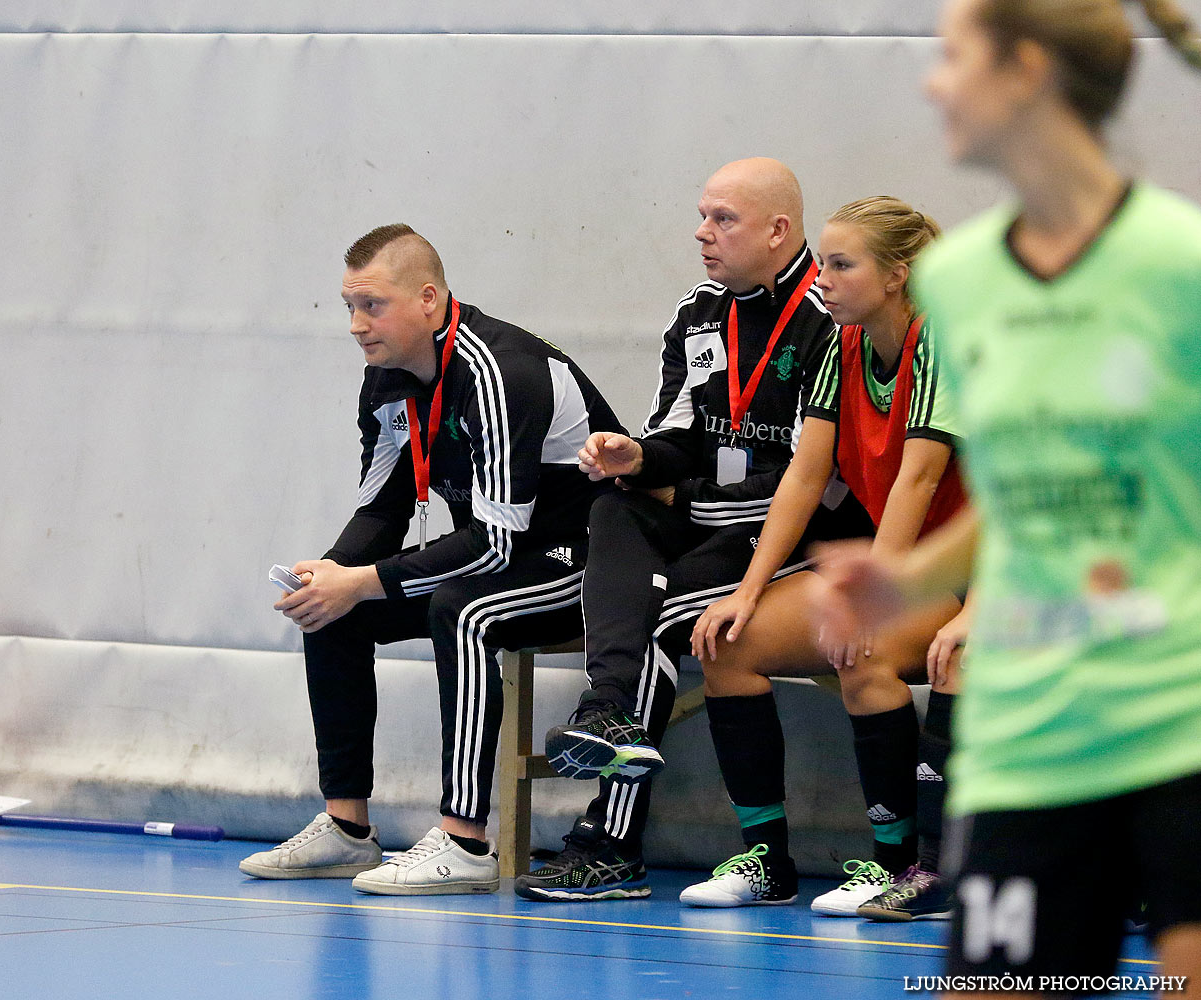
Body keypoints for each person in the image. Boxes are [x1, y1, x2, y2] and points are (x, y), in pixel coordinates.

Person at [812, 0, 1201, 992]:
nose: (934, 82)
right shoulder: (969, 281)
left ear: (1026, 72)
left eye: (954, 58)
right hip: (1031, 728)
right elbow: (1027, 490)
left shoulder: (1176, 265)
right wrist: (909, 580)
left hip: (1174, 712)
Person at [515, 158, 865, 902]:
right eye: (703, 216)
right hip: (712, 518)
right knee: (613, 501)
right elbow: (676, 433)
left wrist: (688, 495)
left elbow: (817, 483)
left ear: (778, 230)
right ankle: (607, 708)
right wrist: (636, 456)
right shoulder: (698, 313)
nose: (701, 233)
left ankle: (614, 845)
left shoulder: (832, 318)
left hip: (800, 535)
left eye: (721, 219)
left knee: (671, 613)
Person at [240, 224, 624, 896]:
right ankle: (347, 828)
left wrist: (362, 580)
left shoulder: (499, 372)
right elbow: (382, 510)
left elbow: (501, 543)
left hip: (582, 556)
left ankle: (465, 841)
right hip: (505, 552)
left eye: (373, 305)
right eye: (348, 306)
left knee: (462, 609)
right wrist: (329, 577)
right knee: (335, 613)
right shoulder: (386, 380)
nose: (357, 325)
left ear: (428, 298)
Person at [678, 196, 967, 916]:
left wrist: (878, 594)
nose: (822, 280)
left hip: (977, 571)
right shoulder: (842, 346)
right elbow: (806, 476)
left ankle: (900, 864)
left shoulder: (941, 342)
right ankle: (766, 863)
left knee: (859, 653)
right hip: (904, 564)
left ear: (898, 276)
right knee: (729, 645)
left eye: (841, 265)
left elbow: (919, 476)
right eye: (824, 264)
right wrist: (747, 590)